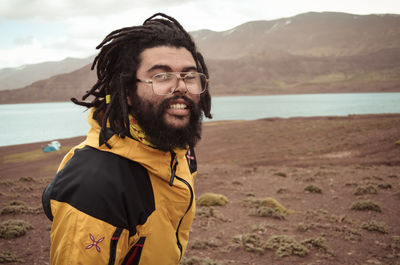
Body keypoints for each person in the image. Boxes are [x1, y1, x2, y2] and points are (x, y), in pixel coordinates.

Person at [42, 13, 212, 265]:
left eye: (189, 76)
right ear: (128, 92)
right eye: (161, 76)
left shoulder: (175, 148)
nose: (182, 87)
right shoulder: (96, 189)